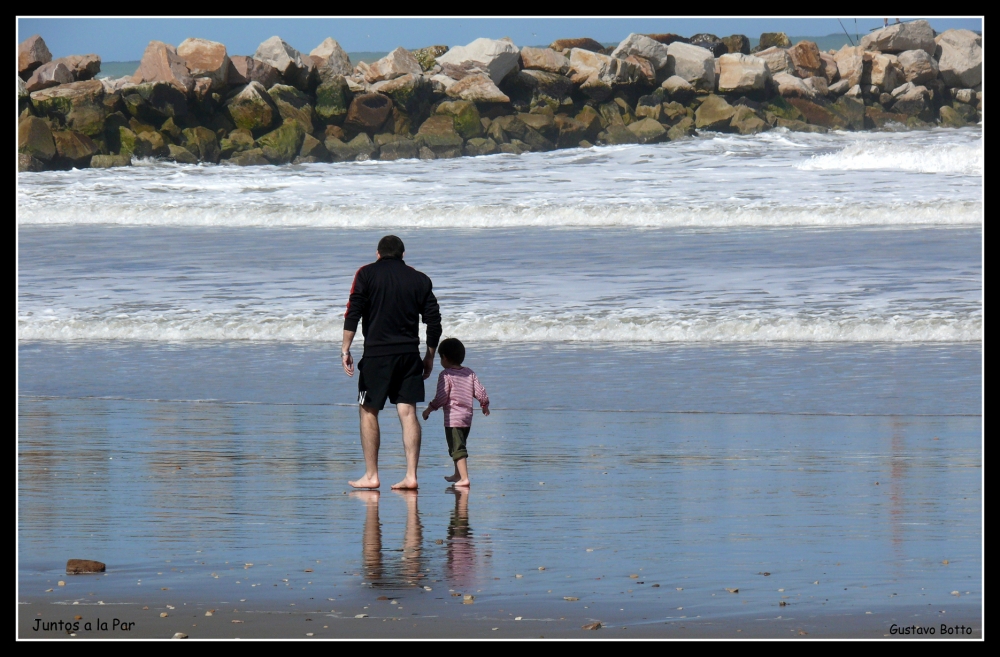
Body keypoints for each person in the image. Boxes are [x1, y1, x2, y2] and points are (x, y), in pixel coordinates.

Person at [342, 235, 441, 490]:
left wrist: (345, 348)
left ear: (378, 253)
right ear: (403, 255)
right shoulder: (419, 279)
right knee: (408, 412)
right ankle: (411, 476)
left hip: (377, 355)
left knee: (368, 410)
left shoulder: (365, 274)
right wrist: (429, 356)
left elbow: (353, 311)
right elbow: (433, 320)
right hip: (409, 355)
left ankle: (372, 475)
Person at [421, 338, 490, 487]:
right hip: (467, 417)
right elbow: (480, 391)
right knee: (457, 445)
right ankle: (458, 474)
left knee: (457, 448)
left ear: (444, 357)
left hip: (454, 418)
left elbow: (441, 397)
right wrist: (484, 404)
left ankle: (464, 478)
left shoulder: (445, 375)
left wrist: (429, 409)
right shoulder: (469, 373)